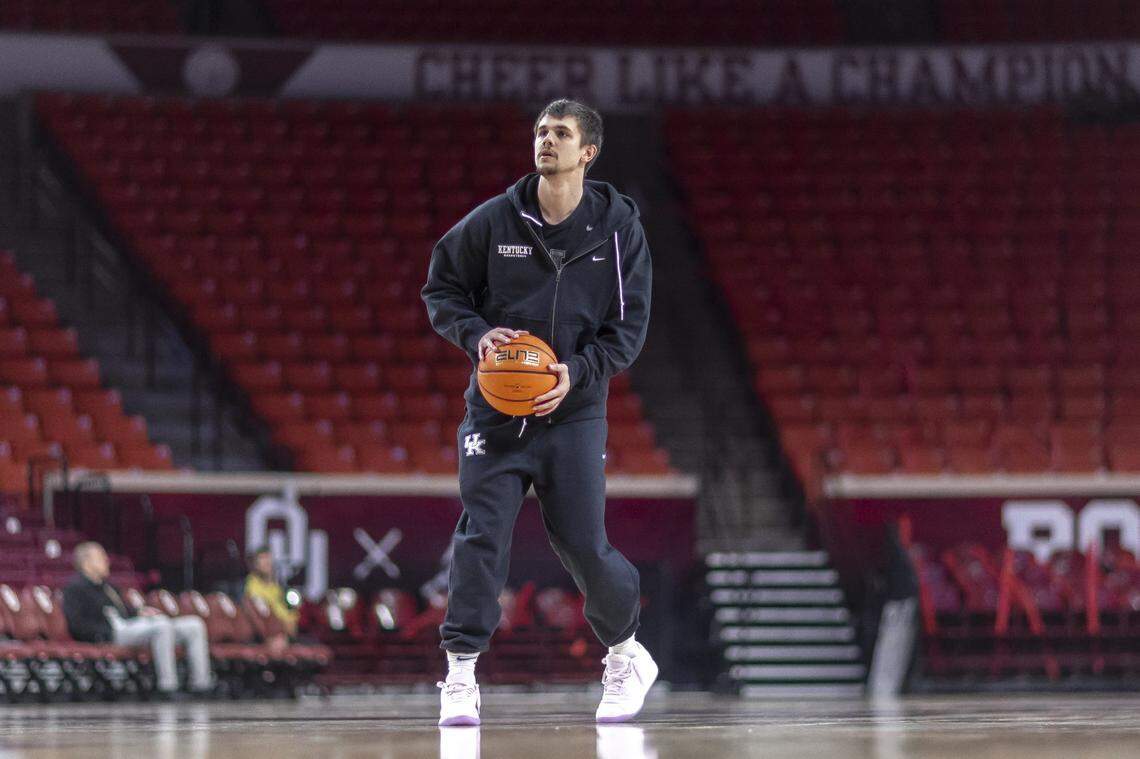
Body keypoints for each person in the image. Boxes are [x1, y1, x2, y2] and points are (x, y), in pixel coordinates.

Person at [422, 98, 657, 726]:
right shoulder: (495, 220)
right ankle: (461, 673)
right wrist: (476, 334)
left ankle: (626, 653)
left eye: (561, 133)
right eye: (540, 132)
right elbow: (441, 287)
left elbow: (627, 331)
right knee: (481, 535)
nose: (546, 141)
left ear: (588, 152)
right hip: (495, 413)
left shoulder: (619, 231)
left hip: (573, 411)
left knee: (583, 543)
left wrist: (577, 373)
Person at [61, 541, 213, 695]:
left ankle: (201, 684)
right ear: (86, 563)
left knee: (194, 624)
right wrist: (101, 634)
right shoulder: (75, 589)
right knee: (162, 626)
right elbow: (77, 623)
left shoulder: (108, 587)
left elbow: (124, 611)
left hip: (129, 626)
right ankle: (168, 686)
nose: (106, 561)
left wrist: (141, 612)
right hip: (112, 633)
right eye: (100, 558)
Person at [243, 546, 299, 640]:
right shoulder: (252, 585)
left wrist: (290, 620)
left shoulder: (277, 587)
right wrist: (283, 624)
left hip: (287, 630)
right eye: (262, 560)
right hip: (270, 633)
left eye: (268, 560)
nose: (266, 563)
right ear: (256, 565)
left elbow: (290, 612)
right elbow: (263, 612)